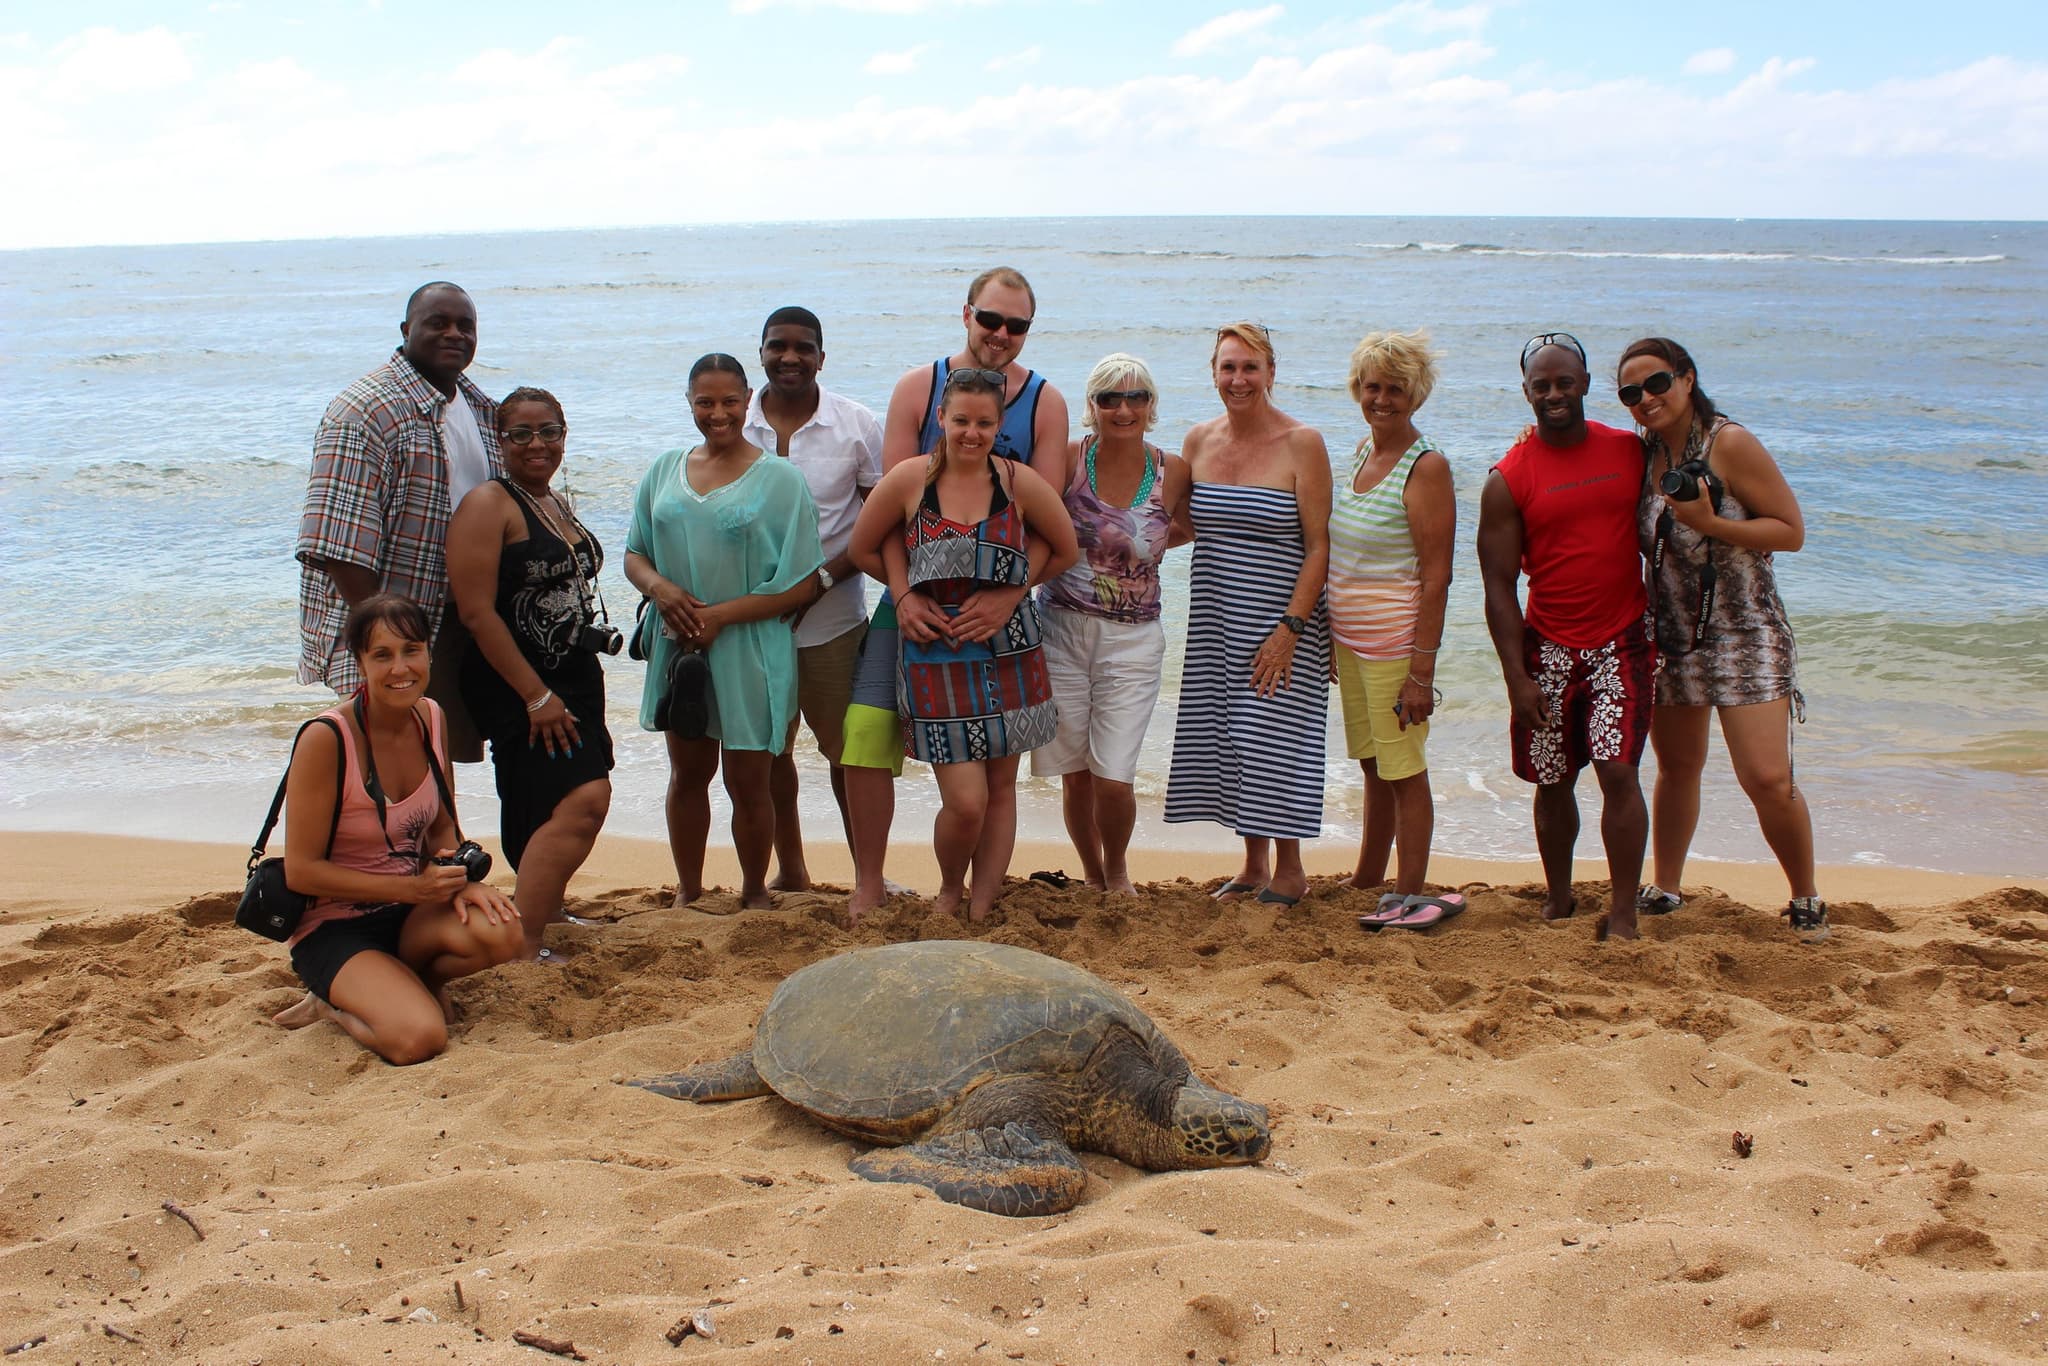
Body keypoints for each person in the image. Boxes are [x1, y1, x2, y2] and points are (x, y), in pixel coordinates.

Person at [838, 266, 1071, 922]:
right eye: (990, 318)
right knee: (866, 732)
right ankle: (871, 881)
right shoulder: (918, 388)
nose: (1001, 333)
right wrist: (903, 592)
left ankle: (979, 900)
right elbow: (891, 522)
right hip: (914, 598)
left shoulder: (1044, 404)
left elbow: (1049, 530)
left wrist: (1010, 595)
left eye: (1016, 324)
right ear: (966, 313)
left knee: (998, 778)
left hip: (1002, 615)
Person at [1621, 337, 1826, 941]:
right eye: (1631, 392)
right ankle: (1666, 887)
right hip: (1673, 635)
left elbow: (1790, 531)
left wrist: (1710, 523)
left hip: (1745, 630)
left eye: (1657, 383)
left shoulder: (1728, 443)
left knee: (1766, 778)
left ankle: (1805, 896)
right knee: (1677, 767)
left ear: (1687, 378)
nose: (1646, 398)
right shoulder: (1644, 451)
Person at [272, 594, 524, 1065]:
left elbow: (443, 827)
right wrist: (412, 889)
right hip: (335, 926)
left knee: (505, 931)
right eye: (382, 655)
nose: (400, 668)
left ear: (429, 652)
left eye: (411, 650)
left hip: (410, 911)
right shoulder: (326, 739)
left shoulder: (431, 717)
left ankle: (417, 983)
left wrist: (461, 879)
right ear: (359, 662)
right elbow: (301, 872)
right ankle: (330, 1006)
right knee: (419, 1039)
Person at [625, 354, 823, 910]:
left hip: (749, 647)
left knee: (749, 779)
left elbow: (802, 584)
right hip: (677, 644)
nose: (718, 413)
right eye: (705, 402)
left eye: (730, 401)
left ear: (748, 401)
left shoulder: (781, 480)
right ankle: (688, 890)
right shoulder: (665, 469)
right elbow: (635, 553)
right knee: (687, 774)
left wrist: (720, 617)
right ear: (688, 402)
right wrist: (661, 591)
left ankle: (754, 890)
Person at [1477, 332, 1653, 941]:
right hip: (1547, 647)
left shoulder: (1629, 450)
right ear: (1526, 393)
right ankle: (1559, 897)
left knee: (1618, 772)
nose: (1554, 394)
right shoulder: (1508, 477)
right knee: (1553, 781)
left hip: (1622, 640)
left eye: (1565, 383)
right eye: (1542, 386)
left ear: (1585, 385)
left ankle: (1624, 912)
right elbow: (1498, 586)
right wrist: (1516, 678)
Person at [1164, 323, 1333, 906]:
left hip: (1282, 619)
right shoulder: (1197, 441)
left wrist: (1292, 629)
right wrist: (1117, 546)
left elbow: (1320, 546)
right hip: (1217, 616)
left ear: (1270, 373)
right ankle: (1254, 864)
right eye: (1228, 367)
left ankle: (1291, 869)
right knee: (1232, 736)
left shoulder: (1302, 442)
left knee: (1273, 738)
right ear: (1213, 373)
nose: (1239, 379)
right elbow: (1184, 526)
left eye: (1250, 367)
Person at [296, 282, 499, 762]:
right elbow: (339, 547)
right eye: (438, 323)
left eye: (465, 326)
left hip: (455, 624)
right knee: (384, 767)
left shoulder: (479, 409)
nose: (454, 334)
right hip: (389, 631)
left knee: (434, 758)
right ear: (407, 330)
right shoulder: (365, 412)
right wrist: (388, 647)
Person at [446, 386, 615, 960]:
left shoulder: (550, 500)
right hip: (518, 681)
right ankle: (526, 941)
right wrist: (535, 695)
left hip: (571, 674)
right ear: (500, 440)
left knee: (544, 798)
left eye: (549, 432)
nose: (536, 443)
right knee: (585, 797)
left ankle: (548, 907)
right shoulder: (489, 504)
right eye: (521, 433)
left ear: (564, 435)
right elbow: (475, 612)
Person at [1031, 353, 1192, 894]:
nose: (1124, 409)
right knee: (1075, 773)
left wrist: (1138, 553)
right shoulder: (1069, 460)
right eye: (1110, 398)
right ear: (1092, 405)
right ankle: (1093, 873)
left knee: (1114, 775)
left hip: (1134, 640)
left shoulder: (1173, 470)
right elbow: (1034, 521)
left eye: (1136, 397)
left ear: (1151, 404)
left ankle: (1118, 869)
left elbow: (1189, 526)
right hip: (1060, 630)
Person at [740, 307, 885, 893]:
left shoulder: (857, 426)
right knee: (771, 753)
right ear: (761, 353)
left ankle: (868, 878)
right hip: (752, 625)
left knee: (848, 755)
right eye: (778, 346)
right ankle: (792, 870)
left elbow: (880, 524)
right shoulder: (735, 421)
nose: (790, 357)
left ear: (822, 357)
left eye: (803, 347)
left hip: (835, 623)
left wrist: (821, 581)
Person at [1327, 330, 1461, 929]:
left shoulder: (1426, 467)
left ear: (1416, 394)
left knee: (1405, 769)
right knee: (1372, 764)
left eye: (1396, 389)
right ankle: (1368, 874)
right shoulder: (1362, 452)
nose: (1382, 399)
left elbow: (1437, 577)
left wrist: (1420, 673)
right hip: (1352, 645)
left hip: (1394, 650)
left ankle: (1409, 893)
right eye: (1372, 387)